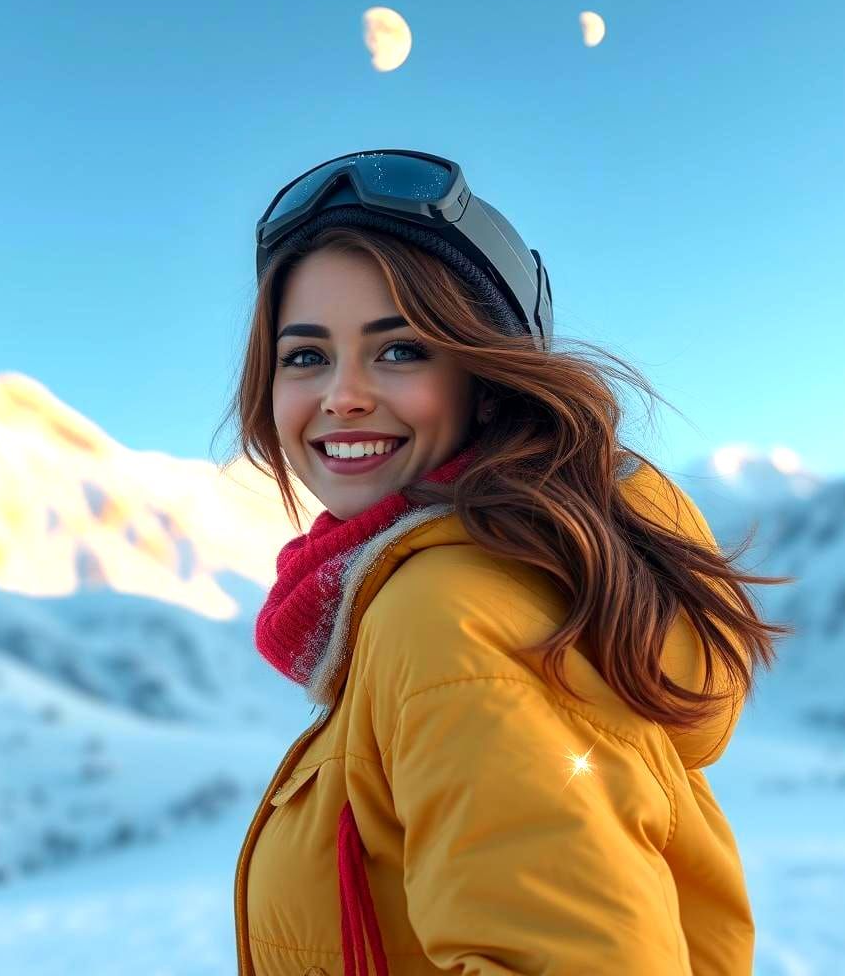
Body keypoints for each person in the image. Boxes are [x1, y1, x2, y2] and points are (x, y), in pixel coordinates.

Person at [219, 150, 794, 975]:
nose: (341, 394)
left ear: (487, 380)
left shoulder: (452, 610)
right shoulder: (456, 587)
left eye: (401, 350)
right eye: (305, 356)